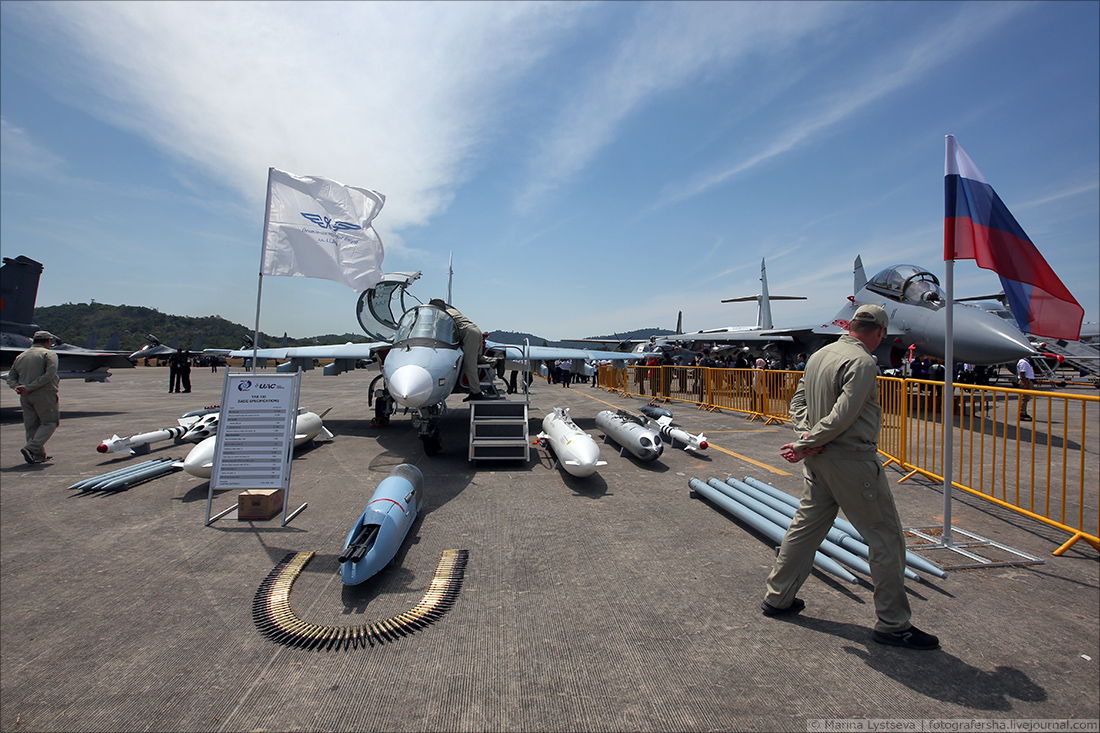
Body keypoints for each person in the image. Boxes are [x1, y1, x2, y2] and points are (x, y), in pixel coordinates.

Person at [761, 304, 939, 651]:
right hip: (851, 462)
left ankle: (777, 596)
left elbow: (797, 400)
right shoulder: (861, 362)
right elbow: (845, 414)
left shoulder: (819, 355)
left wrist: (806, 438)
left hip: (821, 460)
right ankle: (893, 623)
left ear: (851, 325)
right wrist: (806, 443)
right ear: (880, 332)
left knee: (805, 528)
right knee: (886, 539)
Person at [5, 330, 60, 464]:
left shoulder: (21, 356)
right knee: (50, 422)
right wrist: (29, 387)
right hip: (43, 395)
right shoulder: (48, 354)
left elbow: (10, 376)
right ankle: (31, 448)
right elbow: (50, 374)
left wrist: (18, 387)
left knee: (31, 425)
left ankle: (38, 456)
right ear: (48, 341)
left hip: (25, 396)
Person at [428, 299, 486, 400]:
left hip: (469, 335)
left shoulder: (442, 317)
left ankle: (476, 392)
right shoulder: (452, 312)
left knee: (469, 364)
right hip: (476, 331)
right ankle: (496, 361)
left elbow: (447, 333)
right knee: (476, 358)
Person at [1016, 355, 1035, 421]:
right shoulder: (1023, 362)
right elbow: (1022, 374)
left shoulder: (1026, 361)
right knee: (1025, 398)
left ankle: (1024, 412)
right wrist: (1026, 383)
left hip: (1028, 380)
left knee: (1026, 398)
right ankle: (1022, 413)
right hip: (1026, 381)